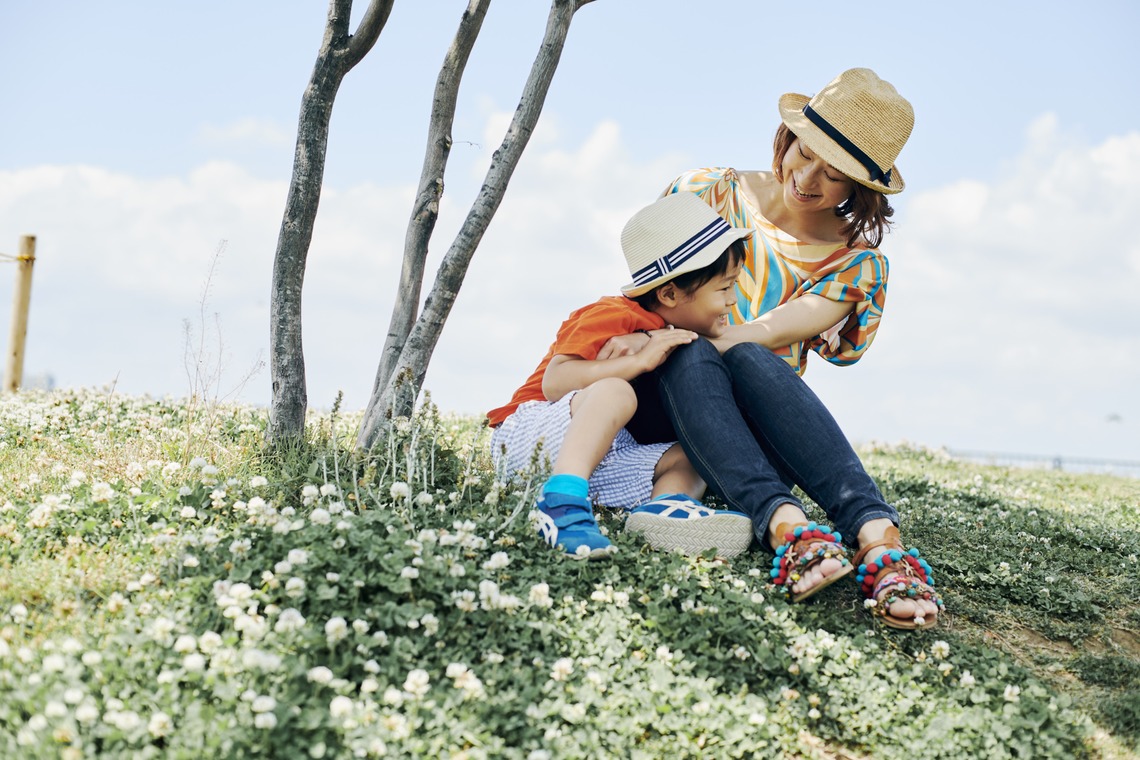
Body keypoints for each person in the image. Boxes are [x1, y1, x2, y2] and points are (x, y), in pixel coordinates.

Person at [601, 68, 944, 629]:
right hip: (663, 404)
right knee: (692, 351)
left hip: (753, 432)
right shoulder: (707, 193)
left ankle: (878, 541)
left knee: (741, 353)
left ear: (858, 191)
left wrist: (714, 340)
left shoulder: (855, 263)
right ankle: (786, 527)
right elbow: (650, 291)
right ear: (787, 138)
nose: (805, 178)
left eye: (833, 176)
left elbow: (773, 329)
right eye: (802, 153)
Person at [486, 192, 754, 561]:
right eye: (725, 287)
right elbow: (556, 381)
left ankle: (666, 512)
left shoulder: (678, 330)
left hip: (602, 454)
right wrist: (639, 362)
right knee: (616, 392)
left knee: (690, 456)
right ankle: (561, 501)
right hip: (528, 436)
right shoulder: (612, 313)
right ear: (670, 293)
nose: (733, 300)